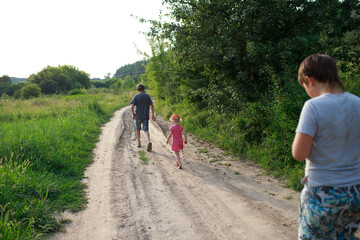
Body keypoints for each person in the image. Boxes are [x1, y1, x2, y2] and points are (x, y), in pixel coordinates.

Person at [292, 53, 360, 239]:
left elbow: (299, 153)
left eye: (304, 86)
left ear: (309, 80)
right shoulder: (357, 103)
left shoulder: (312, 106)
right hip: (355, 192)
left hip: (323, 193)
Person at [131, 84, 156, 151]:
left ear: (137, 90)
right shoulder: (147, 96)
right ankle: (149, 141)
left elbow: (132, 106)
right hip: (145, 116)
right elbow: (152, 105)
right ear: (144, 89)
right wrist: (153, 115)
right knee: (146, 130)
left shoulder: (136, 96)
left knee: (138, 129)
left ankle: (139, 143)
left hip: (138, 116)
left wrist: (133, 115)